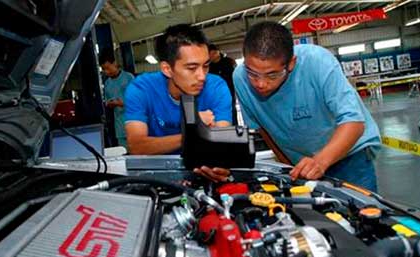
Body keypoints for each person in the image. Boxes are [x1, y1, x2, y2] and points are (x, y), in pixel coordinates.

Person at [195, 21, 381, 192]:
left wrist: (319, 162)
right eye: (253, 73)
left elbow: (354, 122)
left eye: (272, 75)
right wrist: (288, 166)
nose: (260, 84)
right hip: (301, 165)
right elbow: (263, 130)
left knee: (364, 217)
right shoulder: (240, 78)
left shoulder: (318, 62)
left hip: (349, 157)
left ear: (291, 63)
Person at [124, 24, 233, 155]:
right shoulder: (141, 89)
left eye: (205, 66)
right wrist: (195, 131)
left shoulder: (216, 87)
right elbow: (136, 146)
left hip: (201, 166)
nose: (202, 76)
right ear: (167, 69)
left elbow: (220, 143)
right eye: (192, 68)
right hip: (156, 171)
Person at [99, 50, 135, 149]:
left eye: (108, 68)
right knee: (124, 156)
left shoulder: (129, 78)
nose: (106, 72)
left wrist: (122, 103)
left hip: (134, 124)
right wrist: (110, 104)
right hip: (120, 128)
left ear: (114, 63)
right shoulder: (107, 84)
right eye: (103, 69)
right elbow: (107, 102)